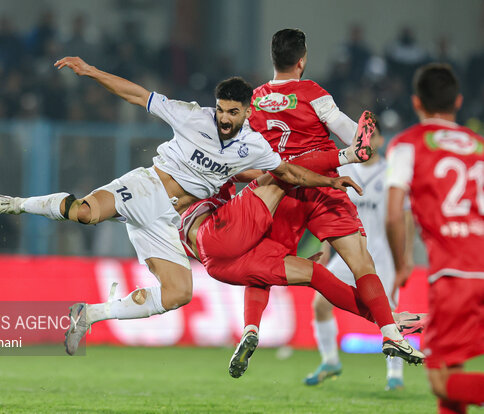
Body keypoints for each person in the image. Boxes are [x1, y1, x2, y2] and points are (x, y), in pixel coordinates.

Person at [0, 56, 362, 355]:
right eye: (220, 109)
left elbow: (289, 174)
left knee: (178, 294)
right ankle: (13, 204)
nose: (223, 118)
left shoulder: (254, 147)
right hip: (147, 188)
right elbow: (137, 95)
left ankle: (89, 314)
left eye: (232, 112)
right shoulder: (192, 116)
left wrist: (332, 177)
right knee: (85, 213)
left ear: (247, 113)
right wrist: (91, 71)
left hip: (171, 223)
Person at [232, 28, 424, 371]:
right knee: (361, 262)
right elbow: (354, 135)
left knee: (261, 268)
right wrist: (361, 135)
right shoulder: (312, 93)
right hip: (322, 187)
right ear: (302, 61)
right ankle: (391, 332)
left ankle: (250, 328)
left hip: (278, 191)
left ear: (273, 59)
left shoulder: (256, 100)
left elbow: (243, 155)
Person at [177, 145, 425, 379]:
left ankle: (251, 329)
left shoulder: (188, 168)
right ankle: (347, 153)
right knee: (281, 173)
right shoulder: (208, 157)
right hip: (218, 233)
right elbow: (274, 171)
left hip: (218, 263)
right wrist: (328, 177)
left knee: (305, 273)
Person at [386, 63, 484, 413]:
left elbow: (394, 211)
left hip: (456, 273)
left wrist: (401, 264)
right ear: (457, 102)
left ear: (416, 103)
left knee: (440, 380)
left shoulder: (407, 144)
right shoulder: (479, 145)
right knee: (453, 369)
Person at [303, 124, 421, 390]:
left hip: (383, 253)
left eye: (371, 135)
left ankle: (395, 375)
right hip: (350, 250)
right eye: (361, 137)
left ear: (380, 138)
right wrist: (325, 248)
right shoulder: (344, 169)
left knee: (389, 313)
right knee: (320, 303)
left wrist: (407, 255)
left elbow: (405, 216)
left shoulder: (392, 171)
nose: (366, 140)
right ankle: (330, 360)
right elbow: (329, 212)